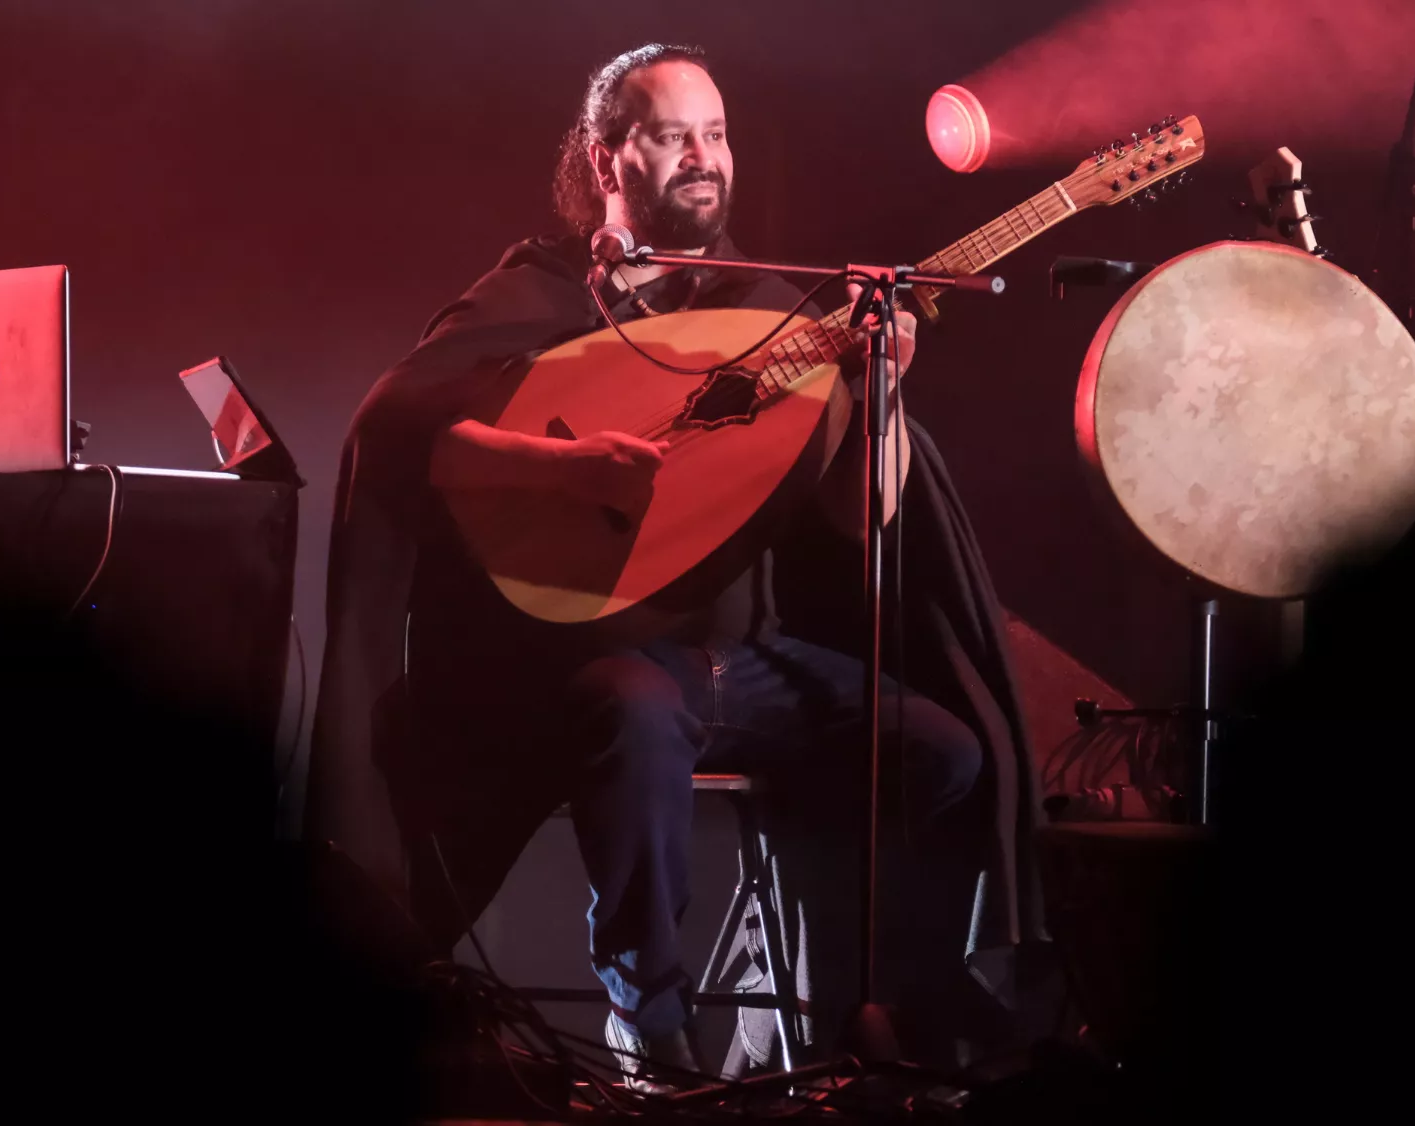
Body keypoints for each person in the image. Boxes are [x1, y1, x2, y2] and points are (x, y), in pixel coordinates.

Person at [305, 43, 1043, 1087]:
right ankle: (645, 1026)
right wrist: (565, 472)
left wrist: (882, 395)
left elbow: (860, 517)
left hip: (744, 658)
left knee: (944, 757)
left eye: (716, 133)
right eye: (671, 135)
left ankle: (838, 996)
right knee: (634, 713)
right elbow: (408, 434)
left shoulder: (773, 311)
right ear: (609, 159)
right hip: (605, 660)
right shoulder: (544, 287)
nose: (703, 157)